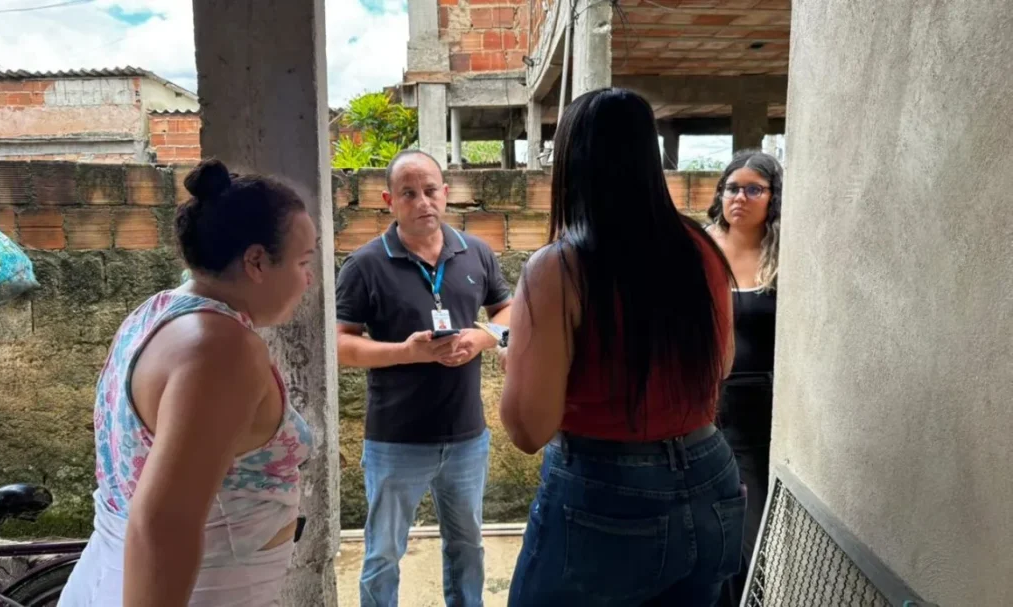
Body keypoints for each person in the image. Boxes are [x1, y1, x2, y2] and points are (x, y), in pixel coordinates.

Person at [499, 88, 744, 607]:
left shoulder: (559, 268)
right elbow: (720, 366)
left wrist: (516, 364)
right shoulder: (701, 248)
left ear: (571, 162)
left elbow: (528, 430)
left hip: (605, 489)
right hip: (711, 475)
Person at [58, 159, 316, 607]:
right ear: (256, 261)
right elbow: (164, 523)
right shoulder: (221, 349)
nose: (308, 279)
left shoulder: (156, 311)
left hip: (115, 574)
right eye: (303, 262)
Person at [335, 150, 512, 607]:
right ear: (389, 200)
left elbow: (509, 312)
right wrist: (405, 353)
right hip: (396, 439)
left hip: (467, 436)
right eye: (409, 193)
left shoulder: (476, 252)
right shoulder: (364, 265)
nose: (422, 202)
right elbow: (339, 344)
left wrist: (482, 339)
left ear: (446, 194)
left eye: (431, 191)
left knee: (467, 546)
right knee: (383, 553)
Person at [707, 150, 782, 606]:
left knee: (752, 532)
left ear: (773, 198)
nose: (740, 197)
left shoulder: (784, 254)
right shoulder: (701, 249)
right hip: (708, 403)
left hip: (767, 409)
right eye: (733, 188)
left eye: (754, 189)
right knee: (717, 529)